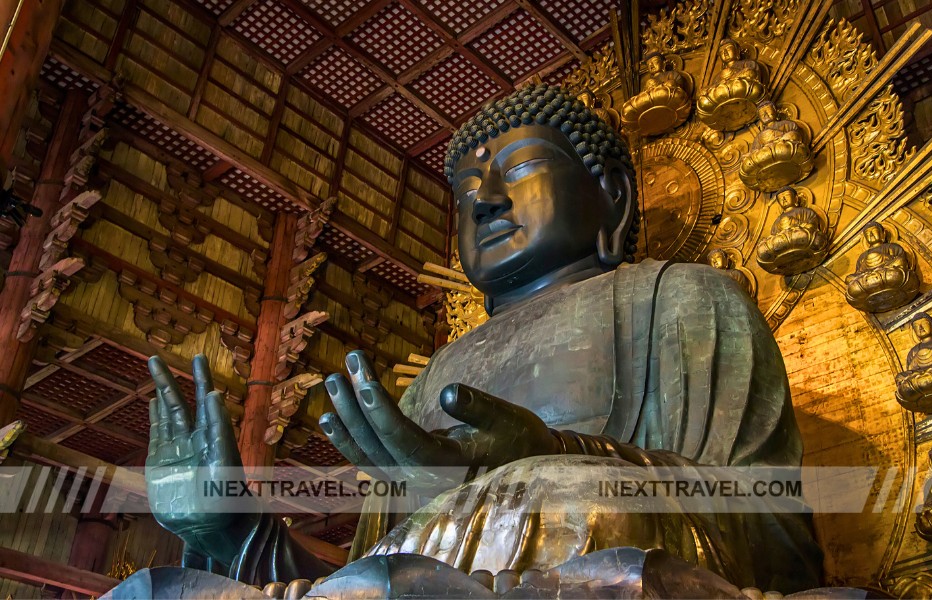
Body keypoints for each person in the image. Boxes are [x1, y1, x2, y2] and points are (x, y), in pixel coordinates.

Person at [134, 84, 824, 599]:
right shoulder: (437, 373)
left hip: (608, 545)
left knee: (559, 496)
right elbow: (379, 573)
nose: (487, 201)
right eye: (467, 195)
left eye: (519, 171)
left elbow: (779, 542)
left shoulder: (686, 298)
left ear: (611, 195)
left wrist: (558, 453)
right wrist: (231, 532)